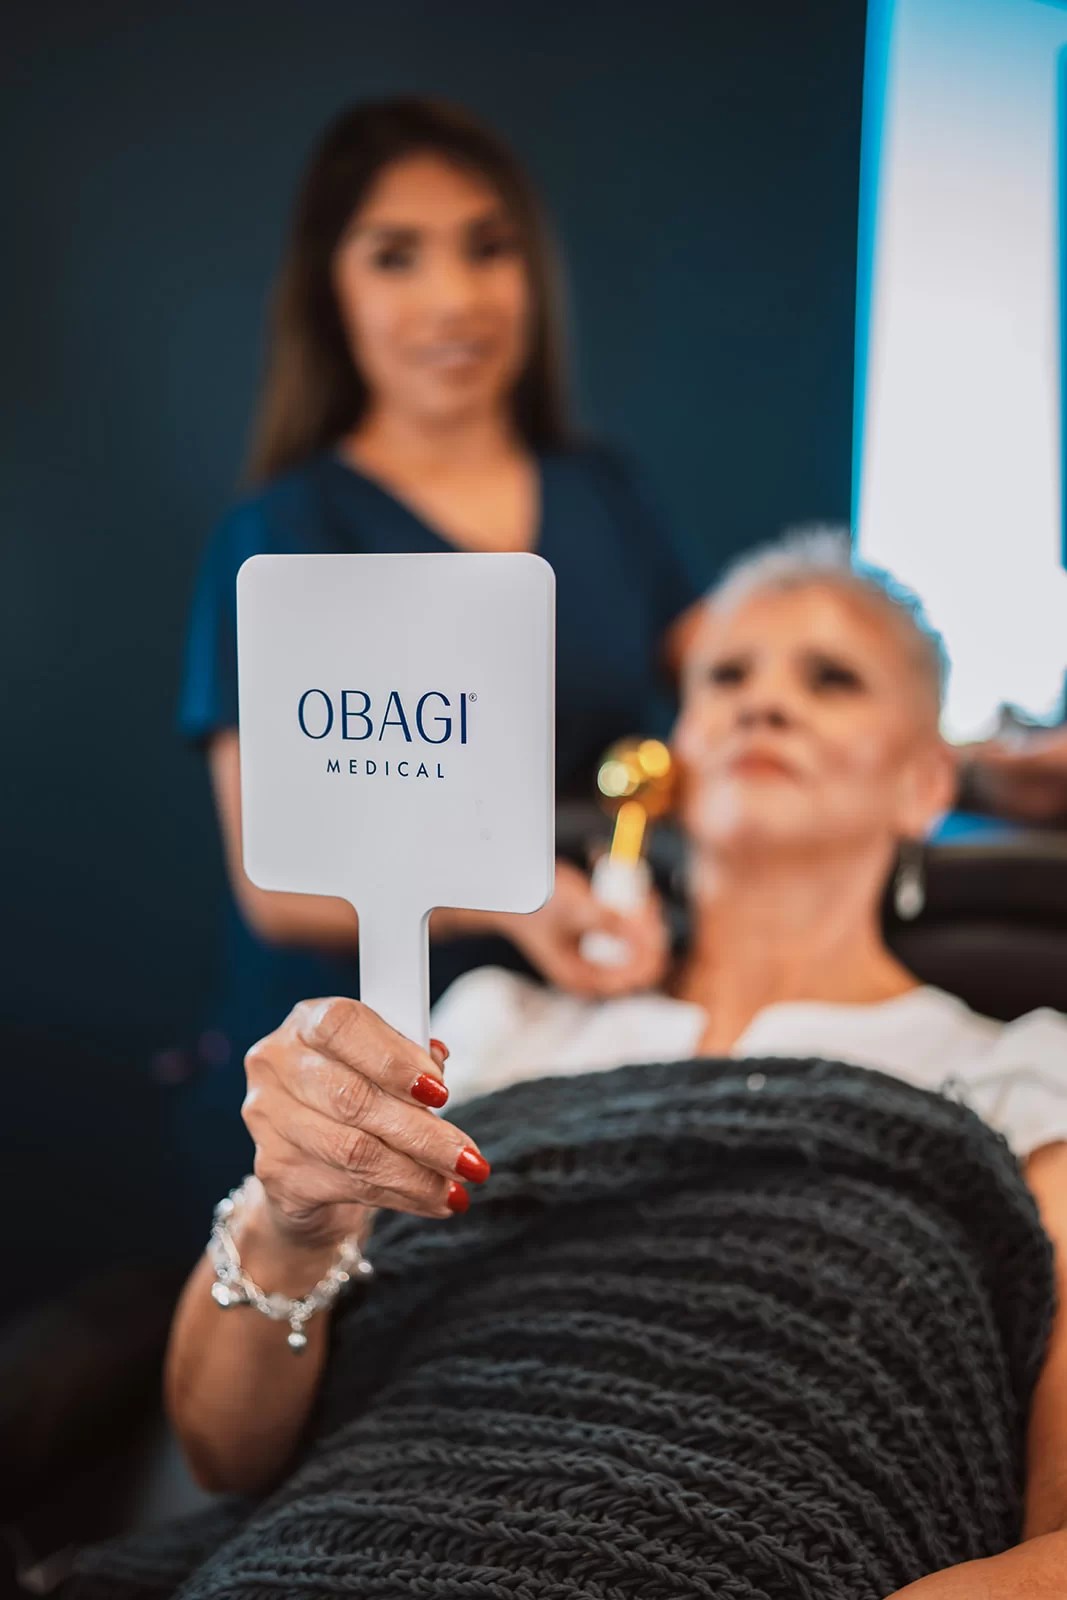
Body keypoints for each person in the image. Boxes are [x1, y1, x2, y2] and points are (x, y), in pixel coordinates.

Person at [129, 532, 1067, 1600]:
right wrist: (290, 1224)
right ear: (674, 755)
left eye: (830, 679)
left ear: (924, 780)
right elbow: (221, 1450)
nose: (763, 703)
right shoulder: (493, 1023)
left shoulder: (1018, 1070)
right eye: (725, 676)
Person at [178, 95, 708, 1096]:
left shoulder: (603, 494)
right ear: (329, 289)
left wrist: (962, 768)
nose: (454, 299)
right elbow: (274, 884)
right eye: (396, 258)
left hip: (573, 1043)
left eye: (487, 248)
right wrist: (515, 900)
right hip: (345, 1074)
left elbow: (737, 681)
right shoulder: (283, 534)